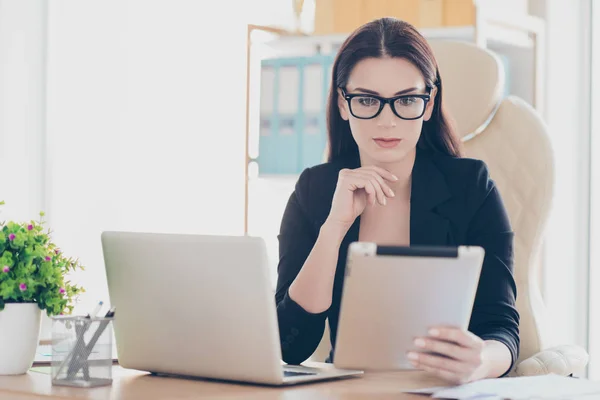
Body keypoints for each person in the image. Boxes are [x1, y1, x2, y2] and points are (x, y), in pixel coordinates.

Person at [274, 17, 519, 384]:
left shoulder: (472, 186)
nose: (387, 121)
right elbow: (287, 346)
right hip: (349, 390)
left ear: (429, 102)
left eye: (406, 100)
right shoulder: (315, 189)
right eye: (367, 100)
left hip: (443, 388)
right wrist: (334, 228)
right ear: (343, 103)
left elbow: (502, 329)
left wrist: (479, 362)